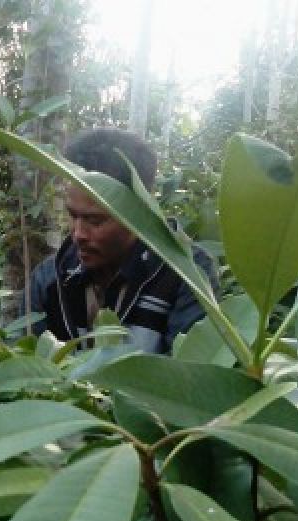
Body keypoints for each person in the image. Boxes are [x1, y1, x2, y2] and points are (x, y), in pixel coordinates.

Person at [21, 128, 215, 353]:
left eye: (95, 220)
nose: (78, 234)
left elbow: (190, 372)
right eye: (73, 216)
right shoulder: (50, 277)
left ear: (139, 211)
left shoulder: (188, 273)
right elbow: (25, 364)